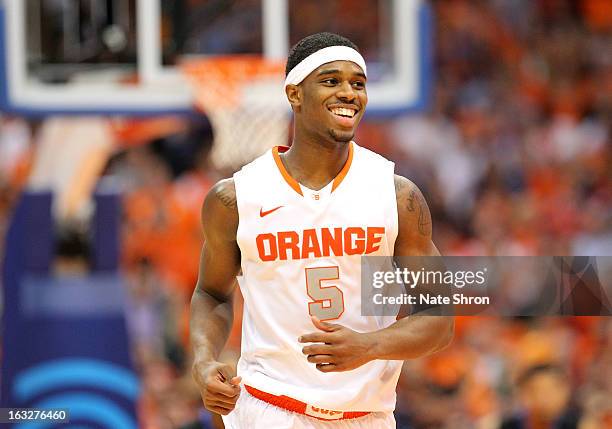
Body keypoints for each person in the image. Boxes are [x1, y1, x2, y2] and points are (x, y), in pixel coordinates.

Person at [190, 32, 454, 428]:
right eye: (331, 81)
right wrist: (204, 359)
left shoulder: (397, 196)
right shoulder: (235, 199)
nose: (349, 92)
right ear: (294, 94)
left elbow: (439, 318)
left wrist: (370, 346)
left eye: (358, 84)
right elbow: (211, 293)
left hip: (366, 415)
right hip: (268, 408)